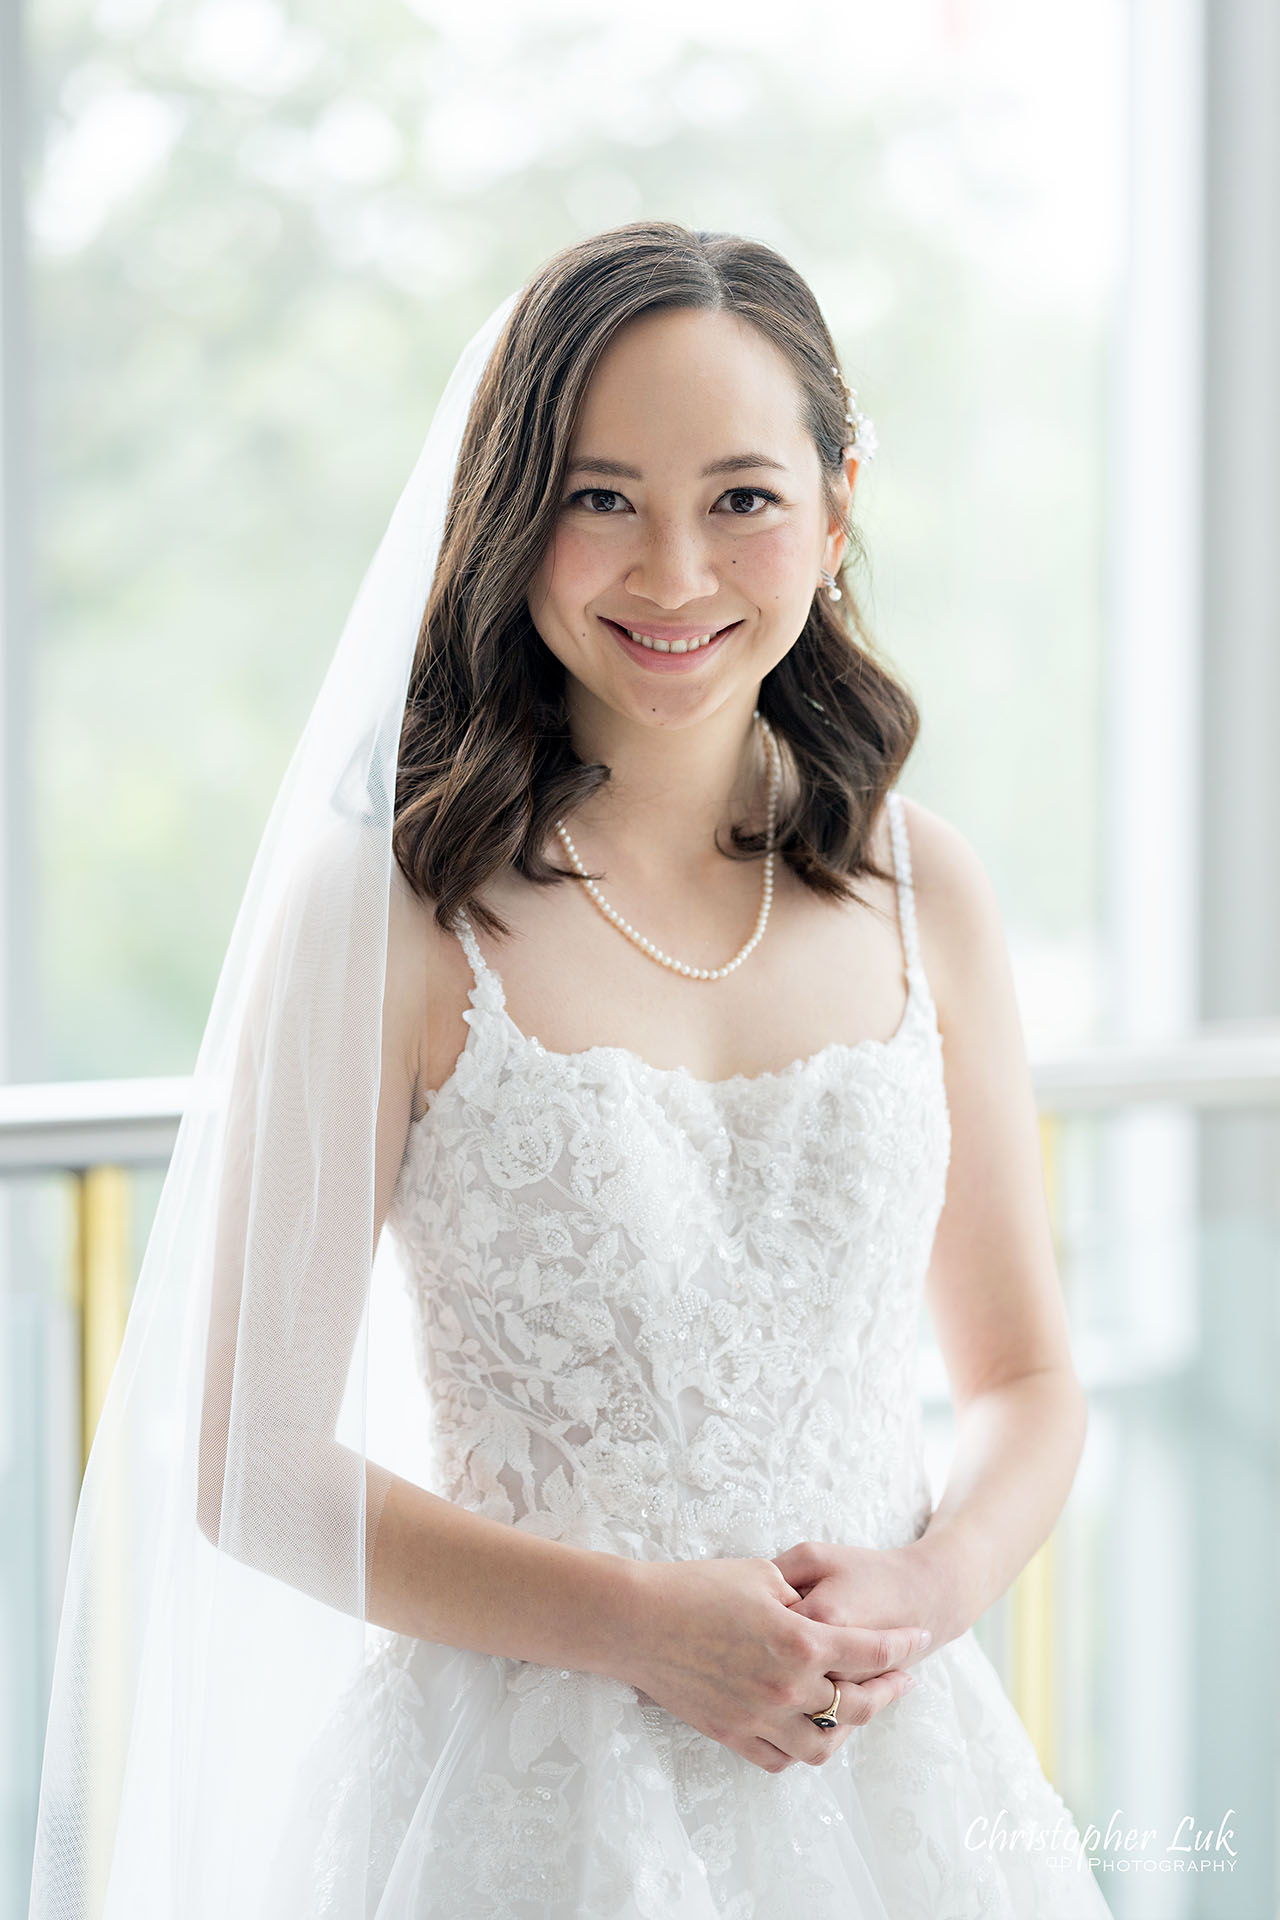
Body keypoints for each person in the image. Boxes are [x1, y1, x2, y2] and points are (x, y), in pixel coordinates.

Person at [28, 221, 1114, 1919]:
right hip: (523, 1810)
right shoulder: (390, 909)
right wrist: (640, 1625)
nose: (672, 573)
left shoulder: (927, 887)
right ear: (513, 517)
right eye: (601, 497)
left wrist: (930, 1579)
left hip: (895, 1784)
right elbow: (252, 1466)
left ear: (835, 510)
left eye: (741, 498)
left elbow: (1027, 1382)